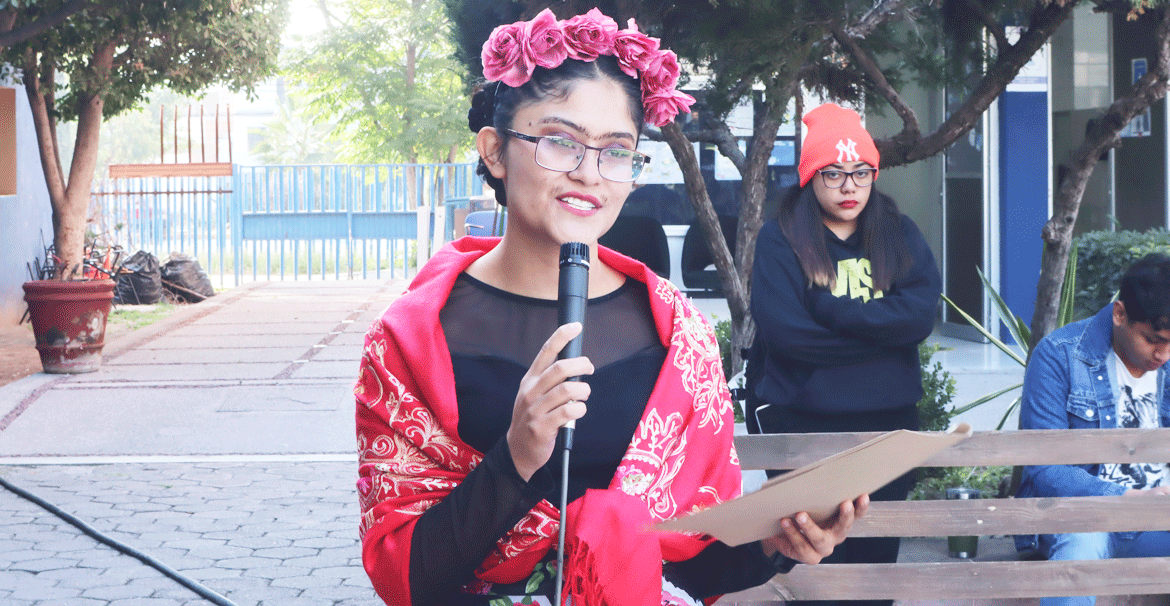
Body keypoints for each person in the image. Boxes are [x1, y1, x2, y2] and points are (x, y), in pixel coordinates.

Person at [353, 10, 868, 606]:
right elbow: (405, 578)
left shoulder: (677, 336)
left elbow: (693, 568)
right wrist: (516, 457)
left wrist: (779, 542)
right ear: (494, 151)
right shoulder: (411, 343)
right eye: (560, 141)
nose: (589, 173)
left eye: (616, 151)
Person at [745, 102, 942, 606]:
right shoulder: (780, 239)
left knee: (874, 566)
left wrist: (835, 311)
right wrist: (881, 340)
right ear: (810, 176)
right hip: (800, 419)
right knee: (807, 558)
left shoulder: (899, 234)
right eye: (833, 173)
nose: (849, 186)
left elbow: (920, 316)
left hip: (886, 424)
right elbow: (789, 335)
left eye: (860, 173)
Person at [1015, 252, 1170, 606]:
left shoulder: (1167, 358)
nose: (1163, 356)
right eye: (1153, 340)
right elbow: (1045, 469)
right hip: (1086, 514)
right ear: (1119, 314)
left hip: (1160, 520)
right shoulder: (1060, 355)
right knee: (1078, 553)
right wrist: (1125, 499)